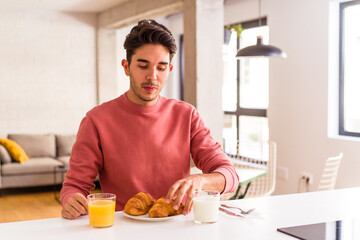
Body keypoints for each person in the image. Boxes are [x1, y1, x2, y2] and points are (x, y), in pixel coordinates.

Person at [60, 19, 239, 220]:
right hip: (122, 229)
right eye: (143, 66)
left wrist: (200, 181)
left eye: (161, 68)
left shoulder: (187, 115)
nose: (152, 77)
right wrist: (71, 200)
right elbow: (74, 186)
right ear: (126, 67)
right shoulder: (96, 120)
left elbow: (230, 175)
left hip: (177, 229)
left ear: (169, 70)